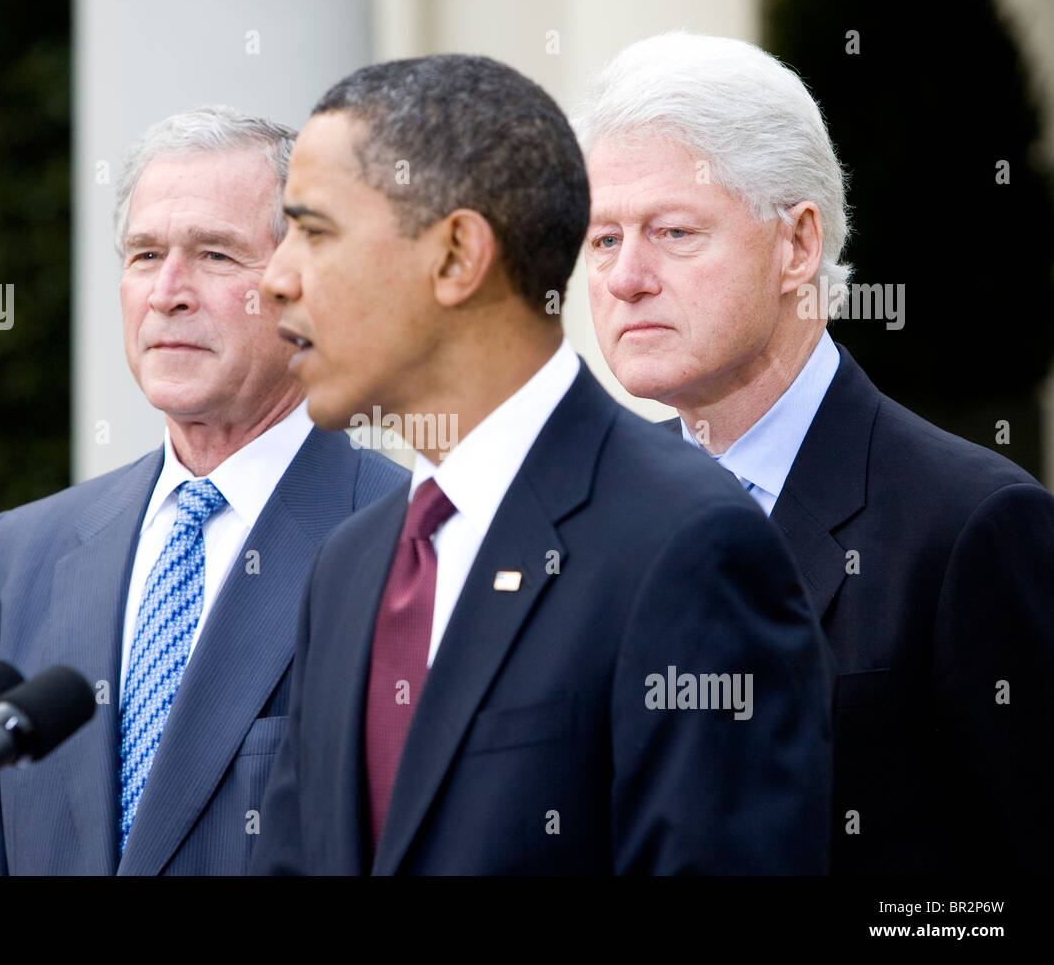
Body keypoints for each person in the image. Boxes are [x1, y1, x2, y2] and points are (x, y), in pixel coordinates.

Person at [250, 54, 834, 875]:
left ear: (457, 256)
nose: (275, 281)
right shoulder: (350, 567)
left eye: (315, 232)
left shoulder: (689, 547)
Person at [577, 31, 1054, 873]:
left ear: (797, 245)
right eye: (604, 239)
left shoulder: (970, 524)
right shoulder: (589, 506)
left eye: (674, 232)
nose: (625, 279)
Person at [0, 106, 405, 876]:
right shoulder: (23, 553)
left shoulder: (407, 541)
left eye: (213, 254)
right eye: (144, 255)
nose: (168, 292)